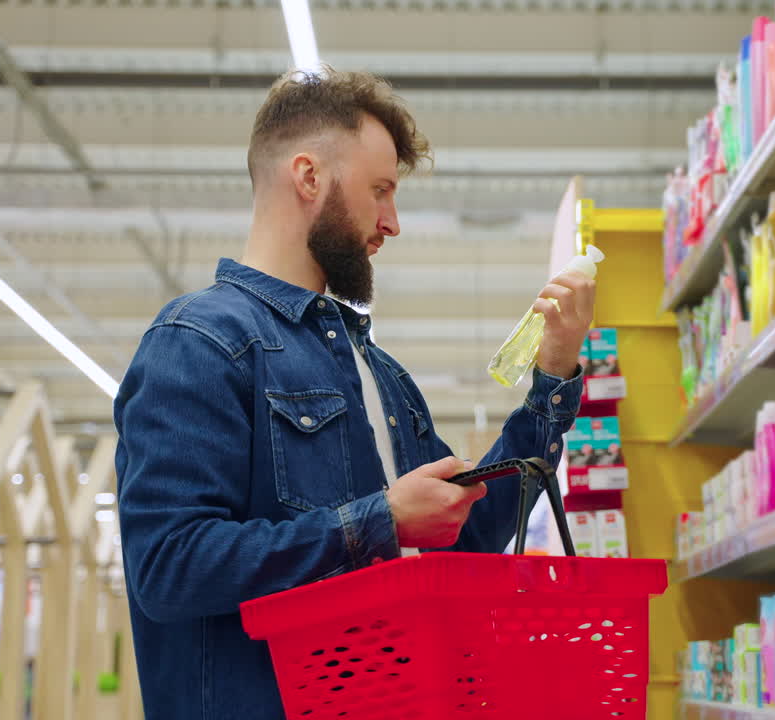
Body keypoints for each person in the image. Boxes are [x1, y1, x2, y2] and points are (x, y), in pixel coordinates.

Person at [113, 66, 594, 719]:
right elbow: (169, 566)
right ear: (309, 177)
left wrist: (554, 377)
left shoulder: (380, 373)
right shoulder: (198, 342)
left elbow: (469, 531)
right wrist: (382, 521)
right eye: (381, 190)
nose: (391, 222)